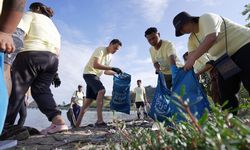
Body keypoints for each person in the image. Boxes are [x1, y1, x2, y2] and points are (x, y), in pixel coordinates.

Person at [3, 2, 68, 136]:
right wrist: (55, 73)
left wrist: (8, 59)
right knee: (41, 91)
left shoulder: (30, 15)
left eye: (31, 7)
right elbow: (57, 51)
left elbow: (17, 34)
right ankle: (58, 122)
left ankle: (5, 126)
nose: (28, 9)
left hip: (31, 54)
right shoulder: (54, 27)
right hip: (52, 60)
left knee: (18, 90)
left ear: (36, 8)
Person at [173, 11, 250, 114]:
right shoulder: (192, 39)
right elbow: (191, 58)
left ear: (190, 21)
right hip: (224, 59)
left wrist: (191, 59)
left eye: (182, 27)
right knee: (226, 91)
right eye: (180, 30)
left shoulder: (206, 18)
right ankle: (230, 123)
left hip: (244, 46)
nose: (182, 31)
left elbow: (211, 38)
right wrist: (185, 74)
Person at [76, 39, 123, 127]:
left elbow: (106, 72)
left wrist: (116, 73)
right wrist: (112, 68)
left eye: (117, 50)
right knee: (101, 91)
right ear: (110, 44)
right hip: (89, 73)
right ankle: (99, 121)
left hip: (96, 76)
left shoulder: (110, 57)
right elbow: (95, 65)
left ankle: (76, 125)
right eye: (114, 48)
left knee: (88, 102)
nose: (115, 51)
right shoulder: (100, 50)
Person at [0, 0, 26, 148]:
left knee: (4, 72)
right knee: (5, 72)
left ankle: (5, 125)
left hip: (8, 27)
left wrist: (6, 30)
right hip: (12, 29)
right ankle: (6, 125)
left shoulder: (30, 16)